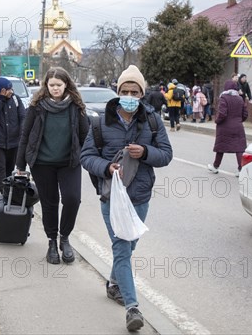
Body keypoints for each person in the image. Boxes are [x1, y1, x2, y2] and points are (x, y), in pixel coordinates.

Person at [80, 65, 173, 332]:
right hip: (112, 198)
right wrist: (106, 167)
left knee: (129, 247)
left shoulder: (152, 120)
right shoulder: (100, 122)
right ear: (117, 92)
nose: (130, 95)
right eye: (125, 90)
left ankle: (113, 283)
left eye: (135, 91)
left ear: (142, 94)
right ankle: (132, 307)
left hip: (140, 196)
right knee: (121, 248)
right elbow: (86, 157)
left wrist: (145, 151)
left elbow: (166, 154)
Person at [16, 67, 89, 265]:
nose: (55, 88)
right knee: (50, 204)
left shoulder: (76, 106)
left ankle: (65, 238)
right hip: (42, 163)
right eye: (51, 85)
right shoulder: (37, 105)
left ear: (66, 85)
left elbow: (85, 137)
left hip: (69, 162)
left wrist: (91, 160)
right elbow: (25, 135)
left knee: (73, 199)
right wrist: (20, 164)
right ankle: (51, 242)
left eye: (59, 85)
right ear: (46, 85)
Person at [0, 77, 26, 194]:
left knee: (10, 170)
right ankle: (4, 195)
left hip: (14, 142)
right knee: (1, 170)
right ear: (2, 90)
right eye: (8, 89)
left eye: (11, 88)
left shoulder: (16, 99)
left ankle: (9, 193)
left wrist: (21, 132)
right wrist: (1, 100)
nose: (11, 91)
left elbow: (23, 117)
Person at [207, 79, 248, 177]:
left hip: (225, 127)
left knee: (221, 147)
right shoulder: (240, 99)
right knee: (239, 148)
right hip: (238, 126)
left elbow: (222, 113)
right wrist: (239, 121)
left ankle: (215, 166)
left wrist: (217, 120)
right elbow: (245, 114)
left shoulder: (224, 98)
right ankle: (241, 169)